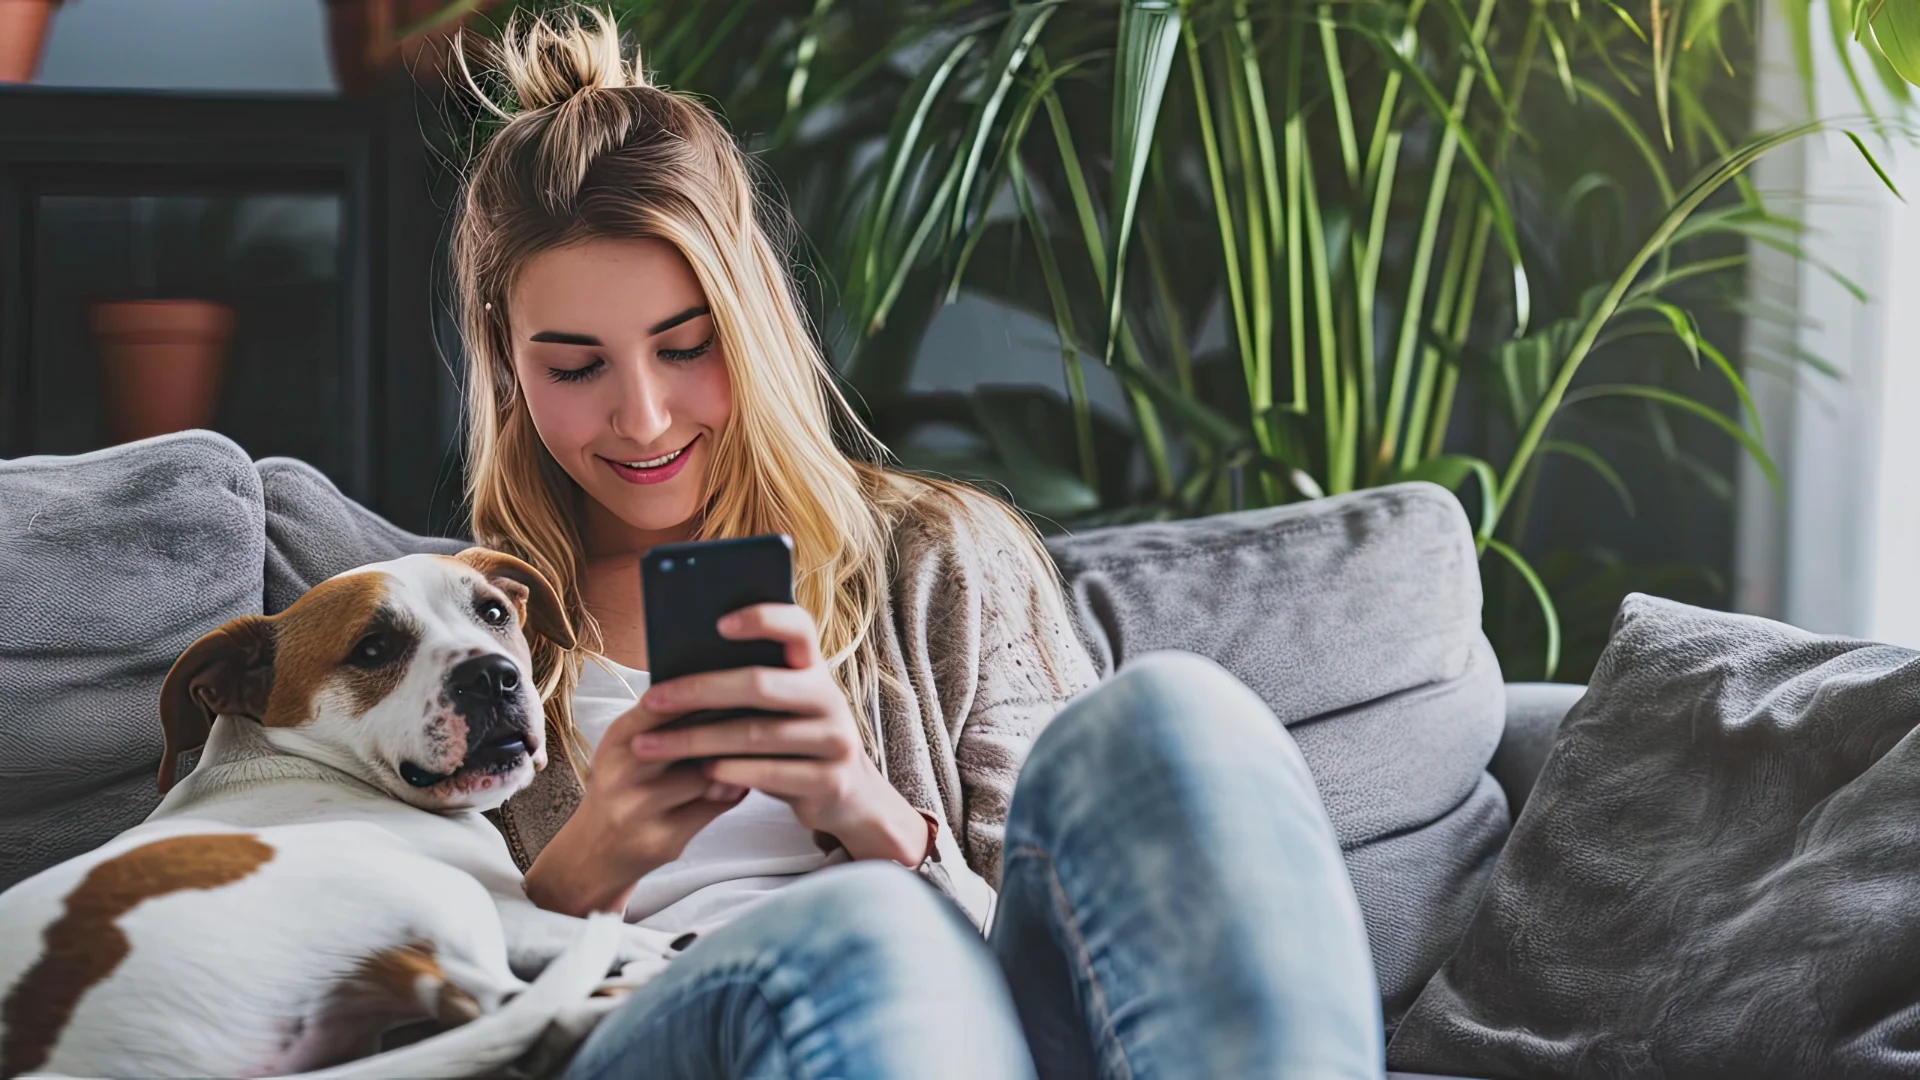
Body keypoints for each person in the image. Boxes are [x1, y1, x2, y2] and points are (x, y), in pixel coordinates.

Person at [450, 10, 1385, 1079]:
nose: (646, 417)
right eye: (576, 368)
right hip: (656, 1031)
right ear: (507, 364)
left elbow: (1084, 960)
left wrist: (872, 816)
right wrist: (577, 875)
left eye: (687, 347)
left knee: (1182, 713)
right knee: (862, 930)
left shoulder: (943, 564)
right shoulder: (448, 642)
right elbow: (396, 1017)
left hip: (966, 1027)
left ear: (751, 324)